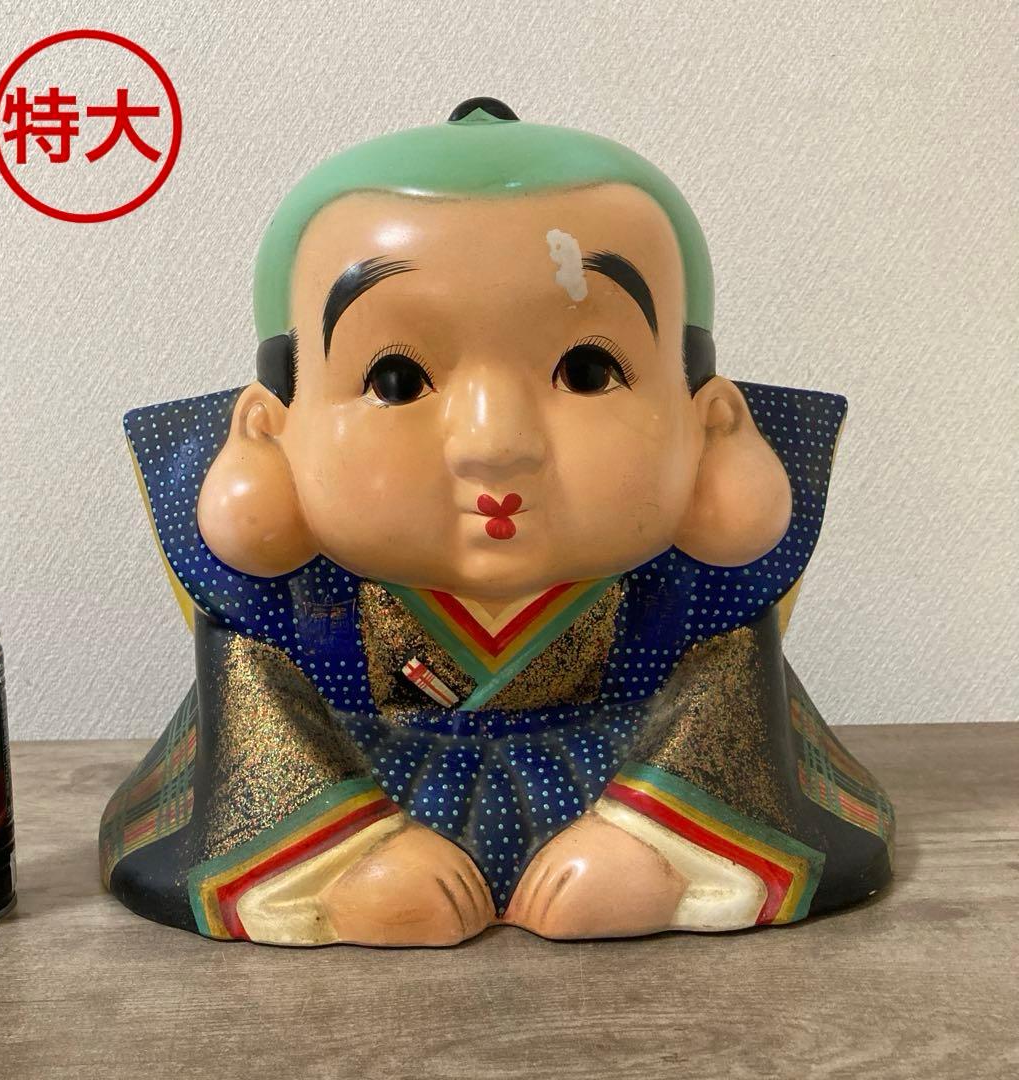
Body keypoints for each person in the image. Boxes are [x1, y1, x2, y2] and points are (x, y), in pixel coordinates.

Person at [100, 99, 893, 945]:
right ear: (273, 429)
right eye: (397, 380)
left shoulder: (704, 599)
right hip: (355, 778)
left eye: (587, 371)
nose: (495, 444)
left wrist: (653, 846)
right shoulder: (279, 610)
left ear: (707, 419)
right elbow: (255, 747)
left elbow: (729, 724)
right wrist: (346, 859)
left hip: (637, 778)